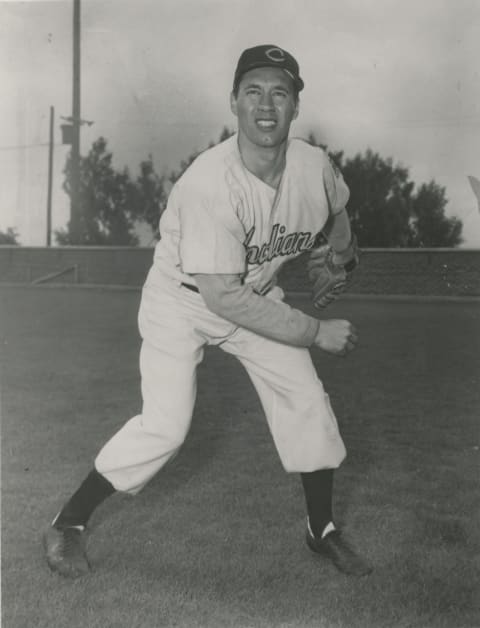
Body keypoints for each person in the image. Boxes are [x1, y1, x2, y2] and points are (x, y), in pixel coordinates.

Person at [43, 44, 372, 578]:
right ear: (234, 103)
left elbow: (337, 211)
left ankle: (321, 530)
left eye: (280, 93)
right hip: (183, 302)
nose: (266, 105)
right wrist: (314, 331)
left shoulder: (315, 166)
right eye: (253, 92)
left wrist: (342, 255)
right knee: (165, 427)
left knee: (307, 399)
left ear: (295, 106)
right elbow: (222, 298)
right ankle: (69, 522)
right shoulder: (209, 184)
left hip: (254, 294)